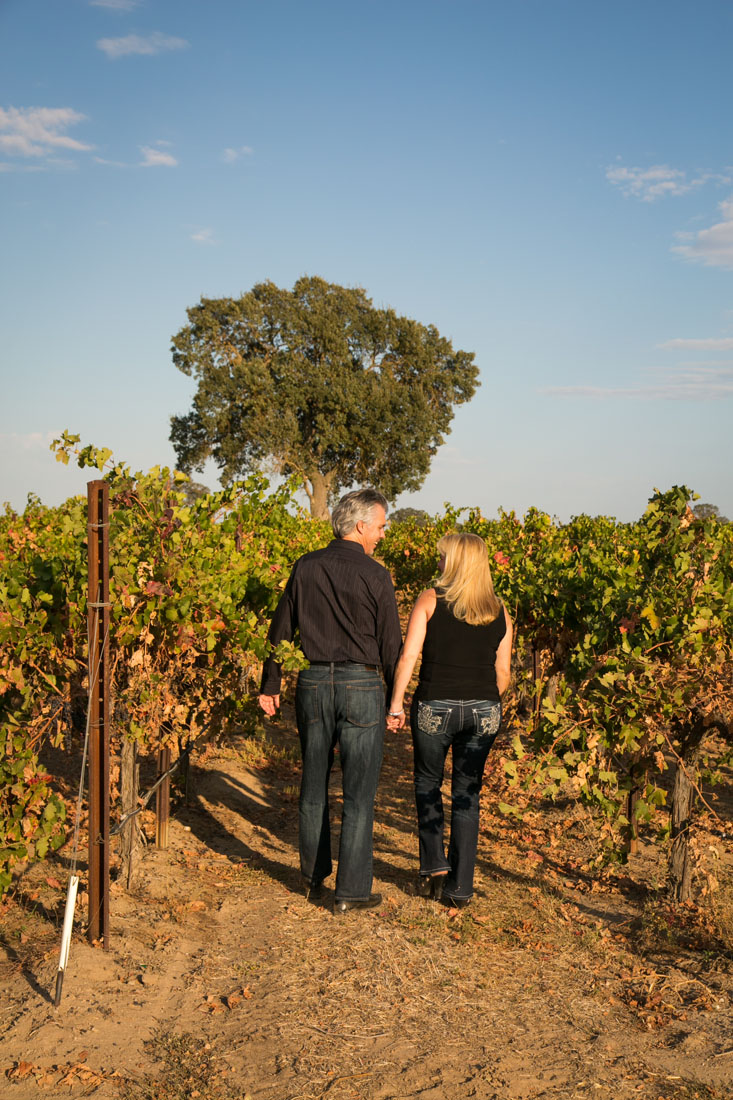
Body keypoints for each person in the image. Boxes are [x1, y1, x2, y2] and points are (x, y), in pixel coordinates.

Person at [258, 488, 402, 914]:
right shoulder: (377, 575)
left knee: (314, 781)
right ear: (360, 526)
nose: (382, 533)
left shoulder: (305, 566)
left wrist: (271, 683)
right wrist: (396, 703)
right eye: (380, 526)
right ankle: (351, 891)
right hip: (362, 686)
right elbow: (391, 646)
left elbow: (279, 629)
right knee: (359, 791)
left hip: (314, 683)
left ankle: (312, 878)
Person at [386, 532, 512, 908]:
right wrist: (483, 704)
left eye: (442, 558)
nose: (437, 564)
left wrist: (395, 704)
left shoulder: (429, 599)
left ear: (456, 562)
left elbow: (409, 657)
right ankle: (460, 889)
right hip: (484, 709)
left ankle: (434, 867)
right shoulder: (499, 609)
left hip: (434, 705)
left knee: (427, 782)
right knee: (466, 794)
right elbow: (502, 671)